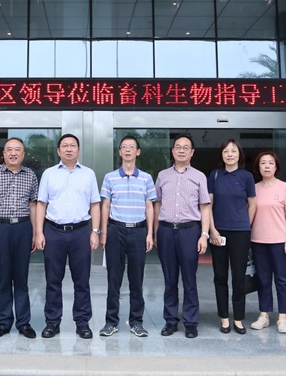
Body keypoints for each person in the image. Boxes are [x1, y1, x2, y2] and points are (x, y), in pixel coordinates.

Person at [34, 134, 100, 339]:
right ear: (58, 150)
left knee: (82, 281)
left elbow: (95, 204)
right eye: (65, 146)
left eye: (73, 146)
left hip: (81, 232)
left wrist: (95, 231)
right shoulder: (49, 174)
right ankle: (52, 322)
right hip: (53, 231)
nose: (69, 149)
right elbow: (41, 204)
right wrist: (39, 232)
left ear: (78, 150)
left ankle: (82, 322)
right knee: (53, 280)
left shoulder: (88, 174)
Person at [0, 137, 39, 339]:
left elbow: (33, 205)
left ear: (23, 154)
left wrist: (35, 232)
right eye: (9, 150)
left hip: (23, 227)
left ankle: (24, 323)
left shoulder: (30, 175)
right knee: (4, 278)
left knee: (21, 278)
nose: (13, 153)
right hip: (0, 228)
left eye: (17, 150)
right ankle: (4, 322)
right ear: (3, 154)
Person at [98, 135, 156, 338]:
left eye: (132, 147)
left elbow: (150, 207)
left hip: (139, 231)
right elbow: (105, 205)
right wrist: (103, 232)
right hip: (116, 230)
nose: (128, 150)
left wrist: (150, 233)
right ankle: (111, 322)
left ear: (138, 152)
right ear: (120, 152)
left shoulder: (146, 178)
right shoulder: (110, 177)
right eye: (124, 147)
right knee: (113, 280)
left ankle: (136, 322)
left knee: (136, 280)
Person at [153, 134, 210, 339]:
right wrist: (155, 231)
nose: (181, 150)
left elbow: (205, 207)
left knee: (189, 279)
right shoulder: (162, 176)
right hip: (166, 231)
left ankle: (191, 322)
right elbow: (157, 204)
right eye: (178, 147)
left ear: (192, 152)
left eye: (186, 147)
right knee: (169, 279)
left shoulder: (199, 177)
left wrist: (204, 234)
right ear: (173, 151)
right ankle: (170, 321)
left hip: (189, 231)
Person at [207, 139, 256, 335]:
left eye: (233, 151)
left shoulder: (246, 176)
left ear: (239, 155)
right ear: (222, 155)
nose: (229, 154)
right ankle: (224, 318)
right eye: (226, 151)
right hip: (218, 232)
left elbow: (252, 204)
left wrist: (245, 224)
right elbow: (208, 205)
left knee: (238, 277)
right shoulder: (215, 175)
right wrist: (212, 230)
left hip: (240, 233)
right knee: (220, 276)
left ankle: (239, 319)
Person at [249, 151, 286, 334]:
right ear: (258, 167)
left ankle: (283, 318)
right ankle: (264, 315)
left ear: (276, 167)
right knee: (263, 280)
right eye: (263, 163)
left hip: (279, 241)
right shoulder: (253, 188)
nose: (267, 166)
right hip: (258, 240)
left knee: (282, 280)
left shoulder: (284, 187)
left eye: (270, 163)